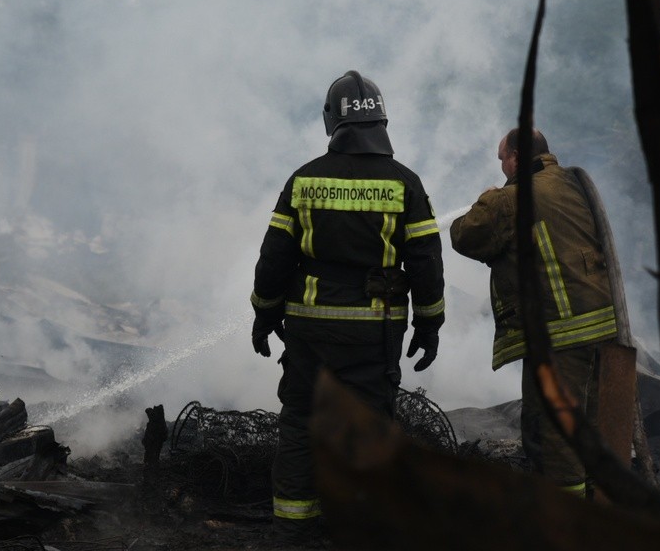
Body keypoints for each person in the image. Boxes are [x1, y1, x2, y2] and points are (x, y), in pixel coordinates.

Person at [250, 70, 446, 543]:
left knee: (300, 422)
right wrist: (429, 323)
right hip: (373, 332)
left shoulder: (304, 179)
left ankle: (293, 531)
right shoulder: (404, 183)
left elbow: (274, 256)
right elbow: (425, 260)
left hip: (310, 329)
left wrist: (264, 312)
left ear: (331, 122)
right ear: (381, 121)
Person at [449, 128, 618, 497]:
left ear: (516, 158)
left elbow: (465, 236)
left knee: (554, 433)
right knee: (589, 427)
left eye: (502, 159)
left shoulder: (510, 199)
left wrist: (487, 198)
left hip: (559, 334)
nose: (501, 167)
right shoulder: (571, 183)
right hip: (603, 328)